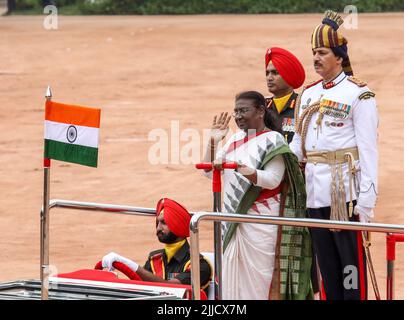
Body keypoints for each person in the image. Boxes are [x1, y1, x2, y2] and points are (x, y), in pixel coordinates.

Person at [290, 10, 378, 300]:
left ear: (339, 57)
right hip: (316, 194)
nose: (316, 58)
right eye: (314, 52)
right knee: (326, 269)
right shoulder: (309, 94)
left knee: (350, 271)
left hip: (346, 196)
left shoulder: (358, 94)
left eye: (323, 52)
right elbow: (297, 147)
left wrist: (366, 200)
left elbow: (368, 151)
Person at [202, 91, 312, 300]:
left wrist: (242, 169)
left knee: (259, 285)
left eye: (244, 110)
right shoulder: (234, 139)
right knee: (232, 285)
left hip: (260, 223)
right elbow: (208, 171)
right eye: (236, 111)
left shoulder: (274, 139)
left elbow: (272, 179)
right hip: (232, 222)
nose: (238, 116)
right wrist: (213, 141)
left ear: (261, 111)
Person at [102, 198, 212, 290]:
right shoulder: (154, 259)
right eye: (157, 222)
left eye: (164, 223)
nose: (158, 228)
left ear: (178, 225)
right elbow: (140, 287)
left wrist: (129, 265)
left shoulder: (199, 265)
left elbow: (171, 289)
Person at [265, 47, 305, 144]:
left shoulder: (303, 106)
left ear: (289, 76)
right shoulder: (261, 108)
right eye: (267, 73)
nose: (269, 78)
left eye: (275, 73)